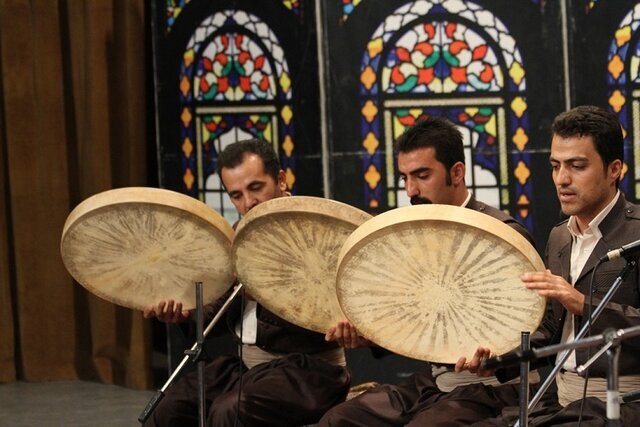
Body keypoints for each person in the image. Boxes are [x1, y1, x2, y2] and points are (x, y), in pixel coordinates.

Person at [325, 105, 640, 426]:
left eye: (577, 166)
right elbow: (544, 329)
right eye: (556, 166)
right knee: (340, 420)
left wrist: (580, 303)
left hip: (620, 401)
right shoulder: (561, 236)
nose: (562, 179)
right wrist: (497, 360)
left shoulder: (636, 233)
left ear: (614, 169)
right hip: (555, 395)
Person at [320, 116, 536, 426]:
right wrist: (371, 338)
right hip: (436, 384)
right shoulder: (415, 236)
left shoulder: (504, 234)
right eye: (405, 177)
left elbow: (537, 330)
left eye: (422, 175)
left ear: (457, 172)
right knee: (339, 419)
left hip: (494, 390)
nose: (411, 189)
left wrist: (496, 358)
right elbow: (418, 324)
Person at [142, 139, 350, 426]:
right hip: (246, 367)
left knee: (230, 411)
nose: (247, 203)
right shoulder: (237, 235)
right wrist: (184, 315)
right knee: (167, 409)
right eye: (236, 195)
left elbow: (327, 316)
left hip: (309, 371)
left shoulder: (314, 232)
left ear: (280, 179)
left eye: (255, 188)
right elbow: (216, 316)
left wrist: (267, 285)